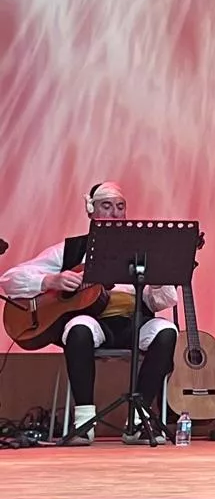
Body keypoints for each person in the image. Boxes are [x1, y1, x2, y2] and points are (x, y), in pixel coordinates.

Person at [0, 182, 179, 445]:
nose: (115, 213)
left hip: (134, 323)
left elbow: (158, 301)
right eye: (106, 206)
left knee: (167, 331)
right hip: (94, 323)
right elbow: (10, 279)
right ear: (91, 211)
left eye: (120, 207)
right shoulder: (71, 250)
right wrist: (50, 281)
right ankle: (84, 422)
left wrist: (160, 276)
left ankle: (138, 421)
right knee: (78, 327)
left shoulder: (141, 252)